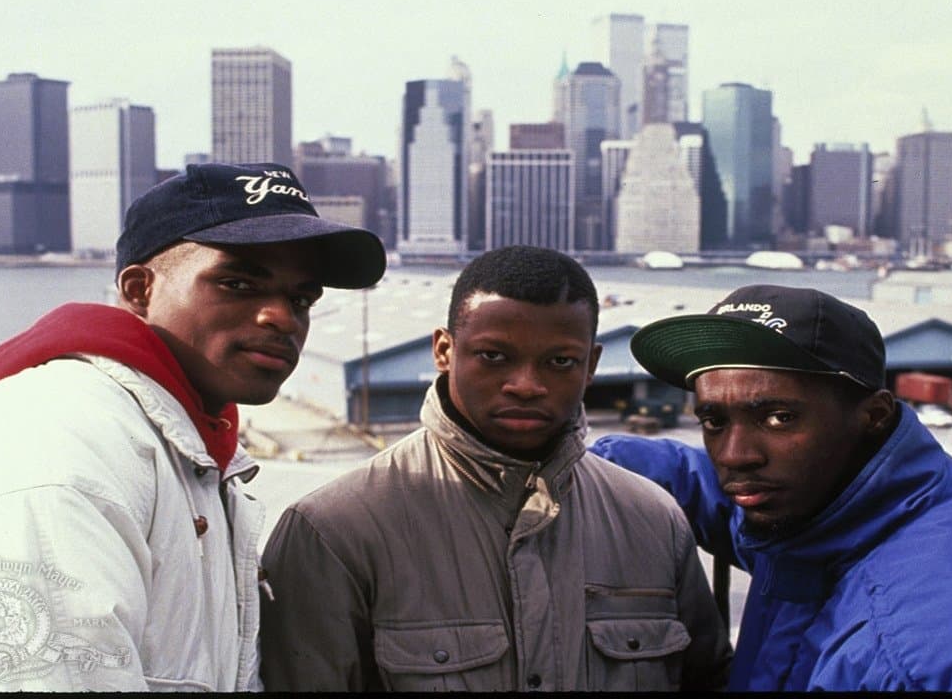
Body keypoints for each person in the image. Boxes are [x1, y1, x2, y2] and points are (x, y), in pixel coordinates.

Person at [0, 163, 386, 691]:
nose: (282, 318)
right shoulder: (54, 457)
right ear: (138, 290)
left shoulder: (177, 450)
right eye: (238, 282)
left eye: (301, 298)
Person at [589, 284, 952, 691]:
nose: (734, 455)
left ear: (873, 415)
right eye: (714, 420)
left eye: (778, 417)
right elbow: (702, 486)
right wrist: (580, 459)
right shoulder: (822, 515)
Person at [257, 246, 732, 691]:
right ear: (444, 351)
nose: (526, 385)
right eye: (494, 356)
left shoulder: (655, 521)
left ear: (591, 365)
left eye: (560, 361)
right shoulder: (333, 533)